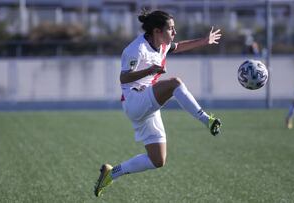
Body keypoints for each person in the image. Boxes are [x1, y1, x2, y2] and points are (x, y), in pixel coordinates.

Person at [94, 10, 222, 197]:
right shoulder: (136, 50)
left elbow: (178, 47)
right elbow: (124, 78)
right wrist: (149, 71)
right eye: (170, 29)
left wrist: (204, 41)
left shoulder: (162, 43)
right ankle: (206, 119)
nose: (174, 32)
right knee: (175, 83)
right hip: (135, 101)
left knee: (157, 160)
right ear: (157, 31)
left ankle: (111, 174)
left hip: (148, 106)